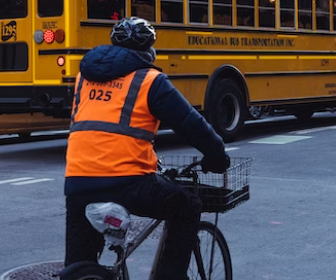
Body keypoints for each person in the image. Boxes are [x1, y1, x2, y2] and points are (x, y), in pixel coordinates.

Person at [63, 17, 229, 280]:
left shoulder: (84, 78)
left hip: (77, 182)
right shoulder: (150, 80)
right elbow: (190, 124)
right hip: (128, 183)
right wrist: (217, 155)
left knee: (77, 266)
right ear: (149, 50)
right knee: (187, 207)